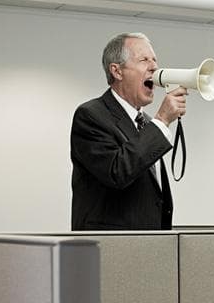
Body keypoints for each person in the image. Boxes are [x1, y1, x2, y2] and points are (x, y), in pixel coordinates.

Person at [70, 33, 187, 230]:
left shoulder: (148, 124)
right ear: (117, 71)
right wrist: (163, 120)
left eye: (154, 60)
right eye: (144, 60)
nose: (154, 67)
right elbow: (117, 172)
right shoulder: (90, 116)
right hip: (112, 246)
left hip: (151, 245)